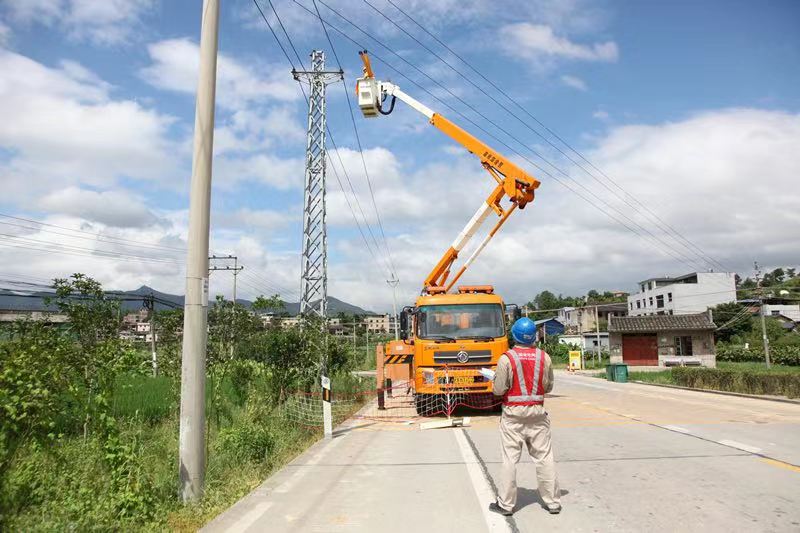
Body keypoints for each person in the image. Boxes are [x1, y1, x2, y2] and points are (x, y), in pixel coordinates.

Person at [487, 317, 561, 516]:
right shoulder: (544, 357)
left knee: (510, 459)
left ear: (515, 335)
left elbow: (499, 389)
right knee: (544, 457)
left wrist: (494, 380)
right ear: (533, 337)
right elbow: (549, 386)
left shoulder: (507, 358)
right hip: (537, 413)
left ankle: (506, 504)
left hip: (513, 414)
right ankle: (552, 502)